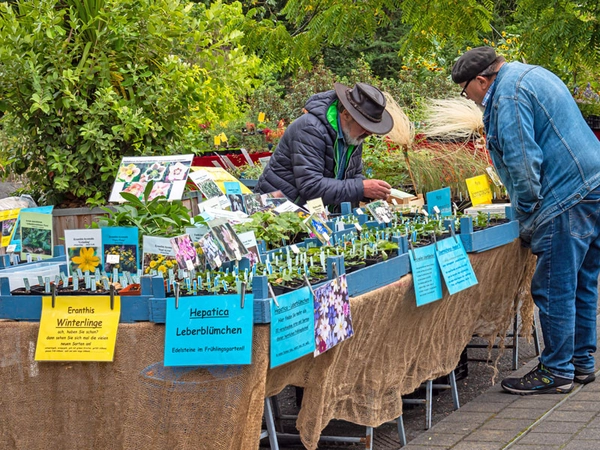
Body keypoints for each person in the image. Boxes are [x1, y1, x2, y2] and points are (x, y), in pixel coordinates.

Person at [452, 47, 600, 395]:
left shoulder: (507, 94)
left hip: (566, 197)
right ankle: (582, 363)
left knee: (553, 286)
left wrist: (527, 213)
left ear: (480, 80)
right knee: (584, 281)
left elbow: (522, 163)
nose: (468, 99)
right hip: (592, 186)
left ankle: (556, 370)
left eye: (465, 90)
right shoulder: (531, 73)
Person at [255, 82, 394, 207]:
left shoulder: (354, 135)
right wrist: (361, 188)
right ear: (346, 114)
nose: (368, 132)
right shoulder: (310, 129)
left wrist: (372, 190)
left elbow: (352, 177)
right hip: (279, 211)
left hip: (312, 214)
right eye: (364, 124)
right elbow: (311, 186)